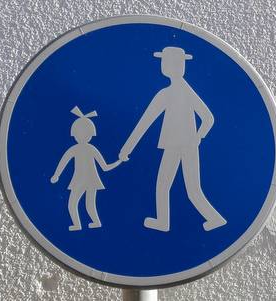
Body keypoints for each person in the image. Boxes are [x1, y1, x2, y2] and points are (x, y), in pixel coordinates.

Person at [119, 47, 226, 232]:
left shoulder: (167, 94)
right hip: (184, 145)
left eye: (165, 62)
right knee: (188, 188)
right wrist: (197, 138)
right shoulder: (185, 90)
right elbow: (208, 118)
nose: (164, 65)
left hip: (177, 146)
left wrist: (126, 149)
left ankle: (169, 221)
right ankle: (205, 219)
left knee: (168, 186)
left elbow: (144, 123)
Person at [51, 106, 122, 231]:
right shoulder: (80, 149)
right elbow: (63, 162)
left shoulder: (87, 149)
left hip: (85, 180)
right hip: (85, 180)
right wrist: (56, 175)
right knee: (79, 204)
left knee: (78, 204)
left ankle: (91, 223)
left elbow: (104, 167)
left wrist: (119, 162)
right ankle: (86, 223)